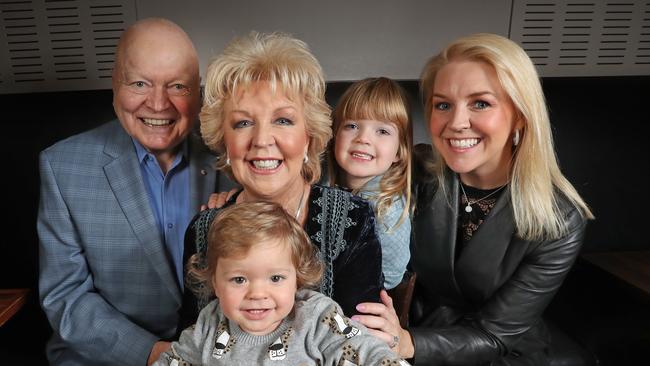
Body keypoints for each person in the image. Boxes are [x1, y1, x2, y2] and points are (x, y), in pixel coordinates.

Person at [353, 33, 594, 365]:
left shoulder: (561, 218)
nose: (456, 123)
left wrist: (406, 343)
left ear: (520, 116)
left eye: (480, 103)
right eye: (443, 105)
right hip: (404, 329)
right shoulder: (415, 170)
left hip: (499, 352)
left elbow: (495, 334)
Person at [38, 18, 234, 365]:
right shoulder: (63, 166)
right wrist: (154, 355)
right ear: (115, 84)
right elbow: (65, 295)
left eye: (177, 86)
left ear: (198, 91)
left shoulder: (232, 157)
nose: (158, 104)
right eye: (140, 83)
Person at [182, 31, 383, 323]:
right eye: (243, 122)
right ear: (224, 141)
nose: (262, 140)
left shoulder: (351, 218)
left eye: (283, 120)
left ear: (308, 136)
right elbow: (193, 336)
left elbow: (359, 341)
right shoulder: (203, 231)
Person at [156, 201, 409, 365]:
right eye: (239, 279)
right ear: (215, 282)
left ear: (297, 279)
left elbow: (361, 349)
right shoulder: (209, 325)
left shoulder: (315, 317)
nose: (257, 293)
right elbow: (173, 360)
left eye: (275, 278)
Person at [328, 77, 413, 290]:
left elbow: (391, 277)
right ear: (335, 135)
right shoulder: (327, 189)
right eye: (352, 126)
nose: (363, 138)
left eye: (382, 131)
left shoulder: (386, 208)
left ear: (399, 152)